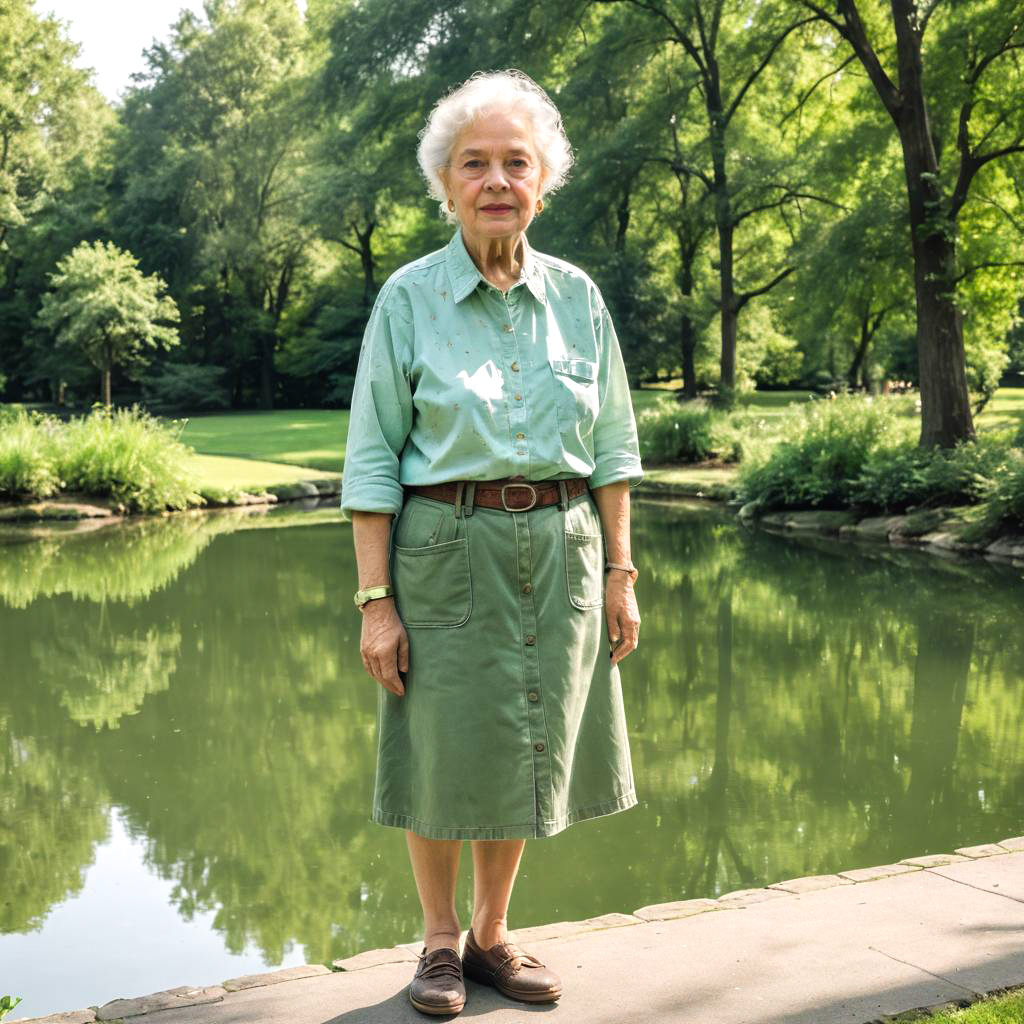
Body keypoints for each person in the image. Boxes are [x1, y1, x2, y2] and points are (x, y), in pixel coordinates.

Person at [340, 68, 643, 1016]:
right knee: (441, 743)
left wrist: (623, 573)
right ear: (446, 184)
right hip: (445, 545)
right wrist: (376, 602)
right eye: (476, 163)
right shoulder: (407, 298)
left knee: (524, 740)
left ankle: (490, 938)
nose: (497, 180)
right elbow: (371, 463)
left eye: (518, 161)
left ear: (544, 181)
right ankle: (436, 943)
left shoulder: (578, 298)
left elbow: (614, 447)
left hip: (562, 548)